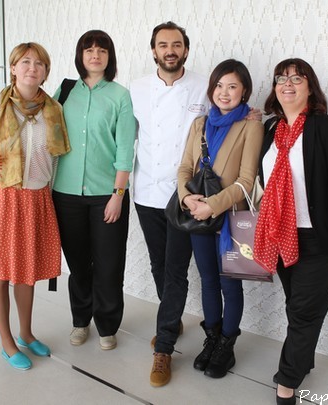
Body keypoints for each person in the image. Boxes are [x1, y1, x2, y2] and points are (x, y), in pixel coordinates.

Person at [253, 58, 328, 405]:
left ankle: (287, 384)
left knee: (303, 312)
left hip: (319, 239)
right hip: (280, 234)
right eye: (281, 79)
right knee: (296, 306)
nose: (288, 84)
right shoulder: (271, 130)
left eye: (296, 78)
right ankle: (305, 360)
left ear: (309, 87)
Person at [0, 42, 70, 370]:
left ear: (46, 71)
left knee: (27, 273)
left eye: (39, 63)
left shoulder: (53, 110)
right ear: (13, 68)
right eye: (25, 62)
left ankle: (25, 333)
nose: (32, 68)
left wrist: (48, 201)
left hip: (35, 198)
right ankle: (7, 343)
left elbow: (53, 163)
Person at [130, 21, 209, 387]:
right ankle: (172, 317)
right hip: (146, 190)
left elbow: (223, 121)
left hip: (183, 195)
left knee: (176, 269)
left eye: (176, 44)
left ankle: (163, 347)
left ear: (186, 50)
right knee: (159, 264)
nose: (170, 50)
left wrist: (251, 116)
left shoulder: (203, 87)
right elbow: (122, 135)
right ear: (154, 51)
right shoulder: (137, 89)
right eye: (163, 45)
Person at [177, 59, 263, 380]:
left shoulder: (251, 125)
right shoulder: (199, 123)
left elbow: (245, 181)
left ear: (244, 92)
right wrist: (187, 197)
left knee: (230, 283)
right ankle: (211, 338)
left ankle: (227, 346)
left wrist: (212, 205)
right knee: (208, 280)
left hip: (230, 218)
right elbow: (184, 168)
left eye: (232, 86)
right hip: (197, 215)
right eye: (219, 86)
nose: (224, 93)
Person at [51, 30, 136, 351]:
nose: (95, 55)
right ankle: (79, 320)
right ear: (80, 55)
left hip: (107, 195)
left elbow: (125, 150)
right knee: (78, 264)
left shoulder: (120, 95)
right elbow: (41, 128)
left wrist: (118, 193)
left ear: (109, 57)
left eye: (102, 50)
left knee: (109, 265)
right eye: (89, 50)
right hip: (66, 194)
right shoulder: (66, 90)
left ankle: (108, 324)